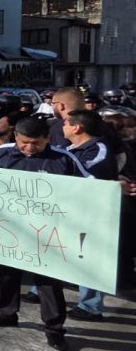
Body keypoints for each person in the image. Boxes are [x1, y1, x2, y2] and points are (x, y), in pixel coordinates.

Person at [0, 116, 90, 351]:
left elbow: (91, 186)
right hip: (9, 229)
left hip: (47, 233)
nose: (28, 148)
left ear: (47, 139)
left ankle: (54, 329)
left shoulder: (63, 158)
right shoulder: (1, 153)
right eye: (23, 142)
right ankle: (5, 314)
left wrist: (115, 185)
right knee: (6, 273)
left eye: (35, 143)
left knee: (48, 282)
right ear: (16, 137)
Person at [62, 110, 117, 321]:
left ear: (77, 127)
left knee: (89, 256)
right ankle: (39, 291)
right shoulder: (68, 149)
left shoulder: (98, 149)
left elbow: (87, 173)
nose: (62, 126)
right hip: (70, 211)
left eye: (66, 122)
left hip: (92, 214)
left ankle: (91, 306)